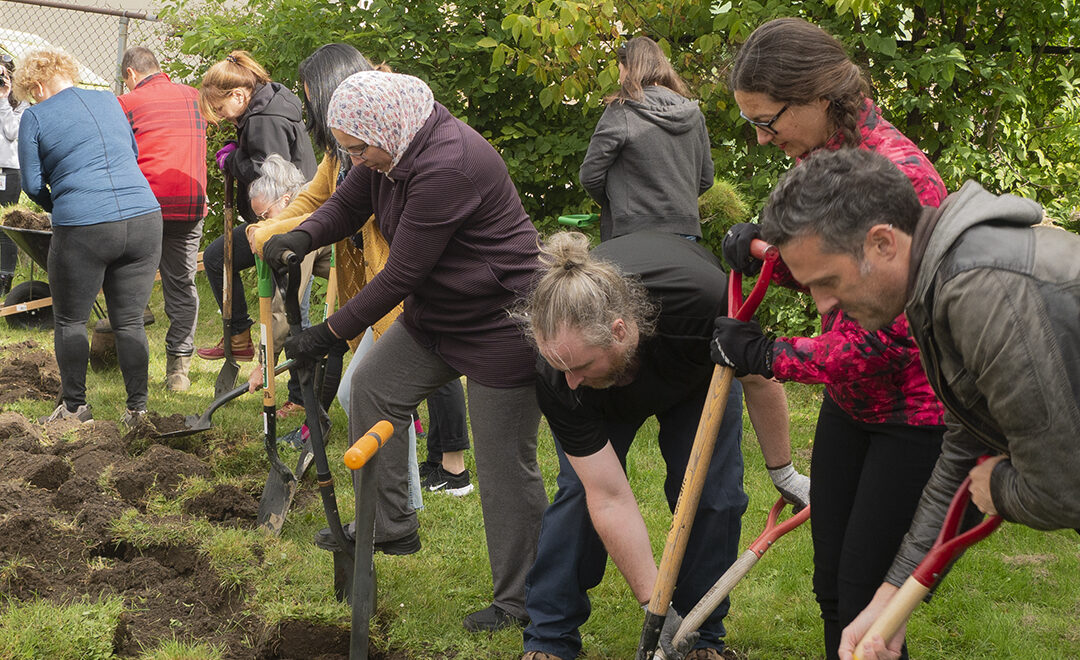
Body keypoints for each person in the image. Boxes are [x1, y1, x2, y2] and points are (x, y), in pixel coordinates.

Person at [749, 147, 1080, 660]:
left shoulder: (981, 293)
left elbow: (1062, 490)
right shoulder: (938, 283)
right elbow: (966, 446)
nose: (823, 306)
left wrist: (997, 487)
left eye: (828, 281)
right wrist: (893, 596)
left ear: (882, 242)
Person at [262, 70, 547, 632]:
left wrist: (328, 332)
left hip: (500, 319)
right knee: (371, 389)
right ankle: (393, 524)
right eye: (346, 149)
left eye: (357, 148)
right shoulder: (387, 151)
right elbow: (345, 208)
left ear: (386, 128)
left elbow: (400, 275)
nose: (355, 158)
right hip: (438, 312)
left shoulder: (447, 163)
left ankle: (522, 602)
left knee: (503, 465)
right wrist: (300, 234)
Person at [714, 17, 949, 660]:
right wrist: (769, 254)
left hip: (914, 415)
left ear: (819, 96)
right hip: (854, 409)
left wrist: (768, 356)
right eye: (752, 123)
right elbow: (835, 270)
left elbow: (883, 344)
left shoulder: (901, 177)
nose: (763, 138)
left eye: (769, 120)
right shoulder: (822, 159)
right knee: (831, 588)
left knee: (869, 598)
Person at [246, 44, 470, 500]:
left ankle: (420, 488)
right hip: (376, 289)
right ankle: (402, 501)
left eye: (313, 99)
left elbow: (395, 265)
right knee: (363, 392)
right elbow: (320, 203)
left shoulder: (391, 146)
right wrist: (275, 231)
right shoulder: (343, 151)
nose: (310, 110)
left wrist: (329, 331)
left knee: (385, 388)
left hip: (400, 290)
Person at [518, 230, 746, 660]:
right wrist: (653, 606)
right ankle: (550, 637)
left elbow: (760, 380)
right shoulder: (564, 374)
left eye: (578, 365)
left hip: (696, 373)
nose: (567, 379)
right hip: (602, 395)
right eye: (558, 366)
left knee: (716, 496)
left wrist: (782, 468)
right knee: (579, 496)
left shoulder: (706, 303)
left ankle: (701, 636)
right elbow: (608, 497)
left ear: (619, 332)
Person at [14, 48, 162, 424]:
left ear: (37, 85)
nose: (32, 100)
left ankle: (75, 407)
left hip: (84, 226)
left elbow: (31, 183)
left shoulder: (35, 115)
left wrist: (62, 203)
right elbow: (131, 152)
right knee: (128, 321)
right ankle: (138, 411)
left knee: (70, 320)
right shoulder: (110, 99)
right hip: (144, 217)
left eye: (31, 93)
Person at [196, 50, 317, 362]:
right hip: (278, 220)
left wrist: (234, 158)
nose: (223, 116)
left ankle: (299, 393)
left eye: (222, 108)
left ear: (239, 94)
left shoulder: (265, 119)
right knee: (218, 257)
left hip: (289, 222)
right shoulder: (264, 107)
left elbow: (271, 179)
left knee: (291, 305)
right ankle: (238, 338)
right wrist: (241, 147)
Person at [118, 46, 207, 392]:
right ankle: (178, 370)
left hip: (146, 206)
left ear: (131, 75)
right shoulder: (194, 96)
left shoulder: (127, 103)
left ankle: (128, 355)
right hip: (190, 203)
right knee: (182, 284)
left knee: (126, 278)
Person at [579, 36, 713, 241]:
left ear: (630, 69)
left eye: (620, 69)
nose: (619, 78)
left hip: (633, 233)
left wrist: (618, 203)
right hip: (685, 231)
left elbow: (590, 175)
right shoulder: (694, 114)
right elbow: (705, 179)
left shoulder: (622, 111)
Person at [0, 53, 28, 296]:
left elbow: (11, 132)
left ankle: (4, 279)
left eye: (3, 74)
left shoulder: (20, 104)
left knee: (4, 227)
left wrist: (3, 98)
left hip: (8, 172)